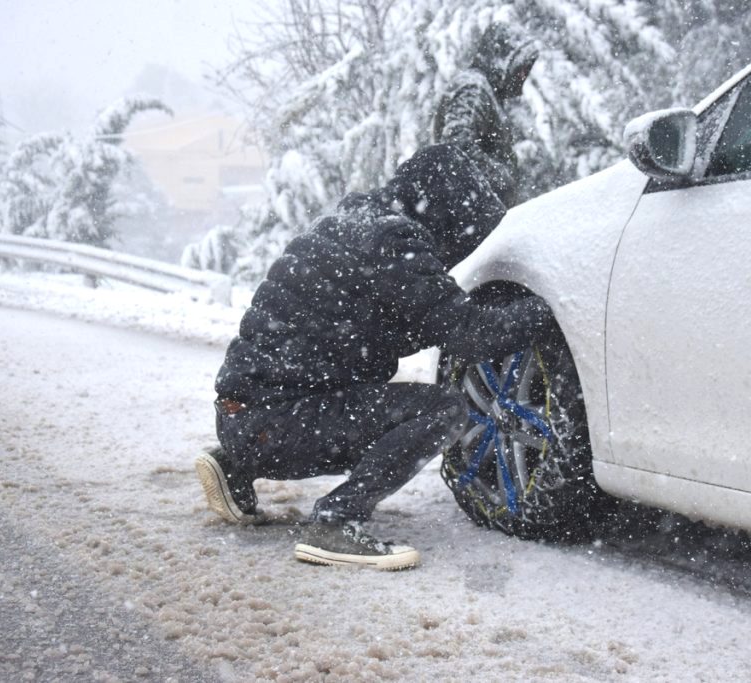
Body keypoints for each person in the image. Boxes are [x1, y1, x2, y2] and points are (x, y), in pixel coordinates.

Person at [196, 144, 554, 570]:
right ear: (444, 214)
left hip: (245, 416)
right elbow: (469, 335)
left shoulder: (355, 227)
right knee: (443, 410)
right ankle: (334, 522)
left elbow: (393, 325)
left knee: (362, 402)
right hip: (276, 423)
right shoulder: (393, 245)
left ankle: (235, 463)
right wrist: (552, 305)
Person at [433, 22, 538, 209]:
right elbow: (455, 145)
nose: (523, 75)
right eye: (520, 67)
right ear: (501, 57)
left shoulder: (485, 90)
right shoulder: (475, 88)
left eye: (526, 69)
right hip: (469, 215)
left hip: (474, 211)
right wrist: (500, 178)